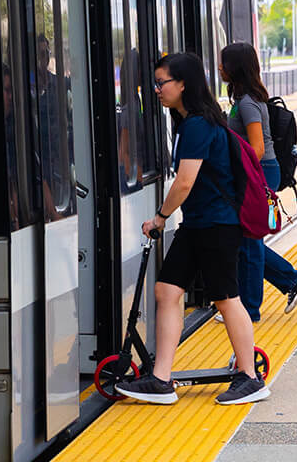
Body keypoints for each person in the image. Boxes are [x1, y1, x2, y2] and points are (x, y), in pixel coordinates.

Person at [115, 52, 269, 405]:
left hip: (216, 225)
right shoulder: (190, 123)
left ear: (183, 84)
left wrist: (159, 218)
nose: (156, 89)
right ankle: (160, 380)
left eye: (161, 82)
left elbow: (184, 183)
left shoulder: (198, 125)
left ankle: (249, 376)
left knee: (226, 298)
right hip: (199, 223)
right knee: (167, 291)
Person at [218, 42, 297, 323]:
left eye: (223, 63)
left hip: (259, 172)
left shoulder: (247, 103)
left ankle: (249, 310)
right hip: (258, 172)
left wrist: (236, 171)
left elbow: (256, 148)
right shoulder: (243, 100)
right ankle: (290, 280)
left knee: (250, 242)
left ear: (235, 67)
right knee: (246, 240)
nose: (219, 68)